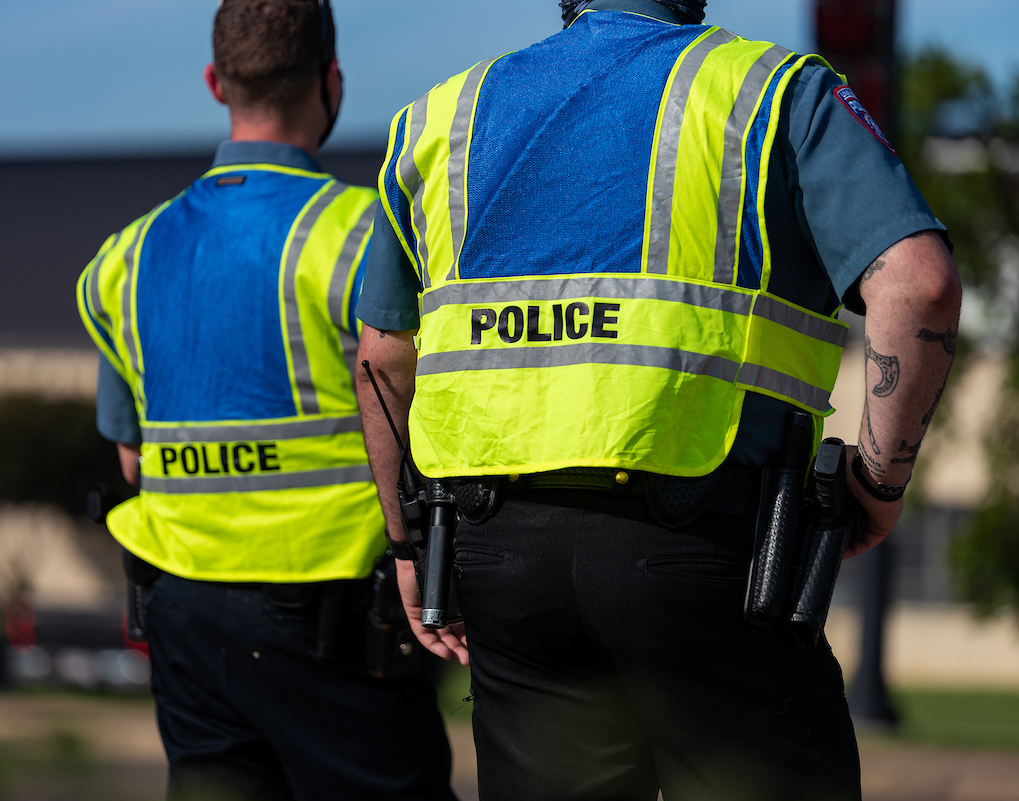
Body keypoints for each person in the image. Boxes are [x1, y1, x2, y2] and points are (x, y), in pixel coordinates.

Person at [355, 1, 962, 799]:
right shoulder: (770, 89)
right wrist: (879, 480)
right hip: (706, 552)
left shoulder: (439, 118)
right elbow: (919, 285)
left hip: (502, 560)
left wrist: (407, 545)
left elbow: (381, 355)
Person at [76, 2, 456, 799]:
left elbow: (131, 457)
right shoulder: (366, 233)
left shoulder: (127, 255)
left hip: (182, 617)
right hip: (334, 622)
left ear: (217, 83)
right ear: (333, 79)